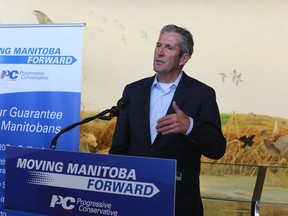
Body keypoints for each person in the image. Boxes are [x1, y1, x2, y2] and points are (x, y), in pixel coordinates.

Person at [109, 24, 226, 216]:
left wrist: (190, 126)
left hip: (178, 202)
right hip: (132, 200)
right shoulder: (133, 91)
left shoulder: (202, 94)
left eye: (169, 48)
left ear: (184, 58)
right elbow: (118, 148)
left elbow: (217, 148)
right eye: (158, 45)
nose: (160, 52)